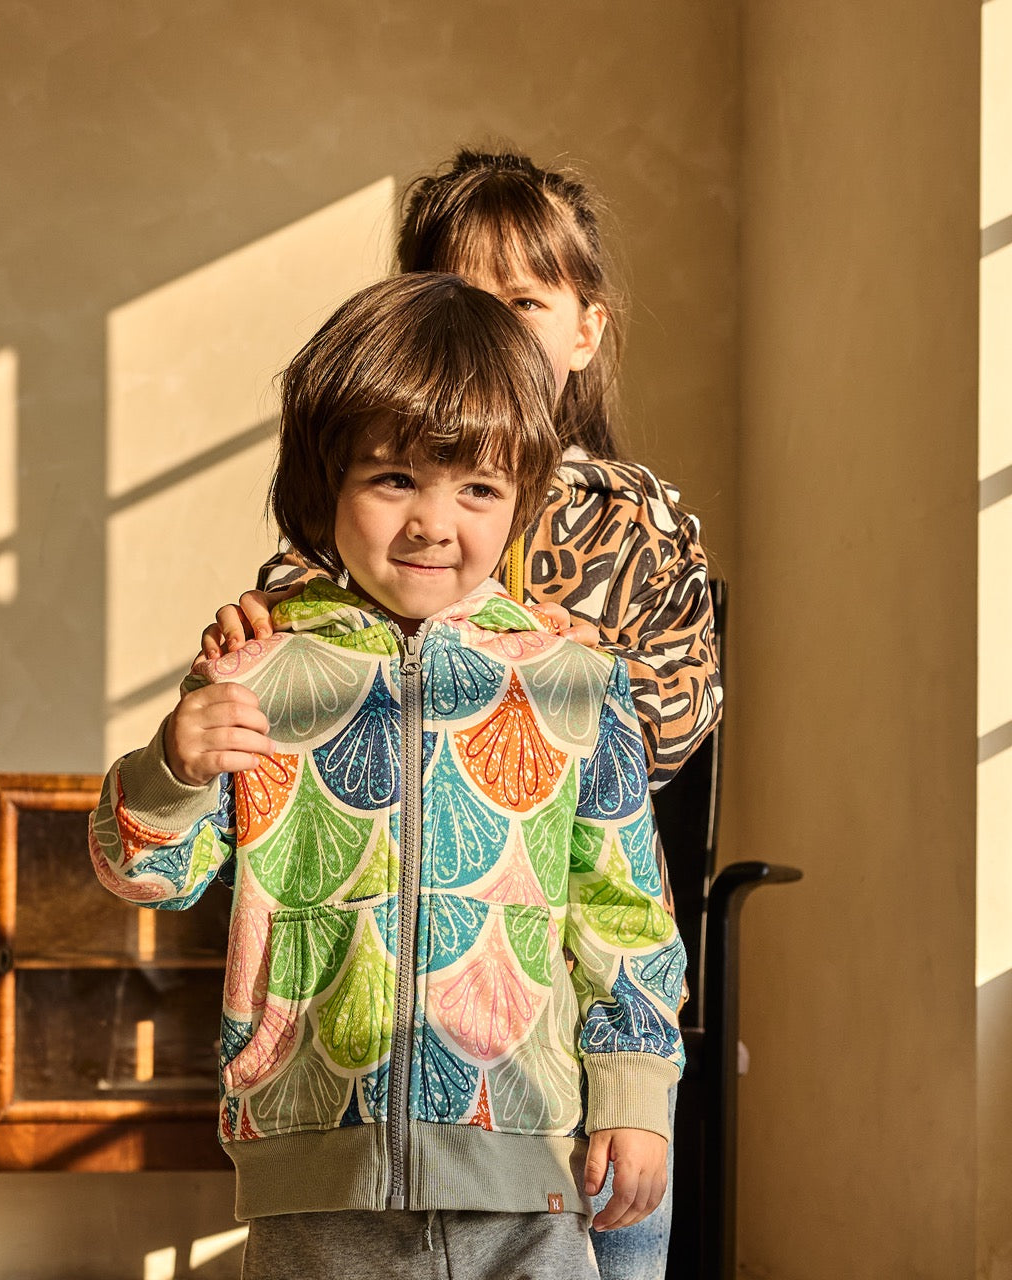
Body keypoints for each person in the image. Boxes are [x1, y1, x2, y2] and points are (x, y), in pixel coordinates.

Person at [90, 273, 686, 1280]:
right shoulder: (258, 667)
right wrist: (171, 765)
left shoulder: (572, 680)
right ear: (327, 481)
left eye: (478, 488)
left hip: (523, 1161)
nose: (432, 523)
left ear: (521, 500)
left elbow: (622, 910)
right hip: (315, 1176)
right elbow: (146, 873)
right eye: (394, 479)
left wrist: (632, 1096)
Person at [199, 147, 722, 1278]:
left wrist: (591, 668)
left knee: (620, 1214)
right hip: (358, 1022)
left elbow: (680, 719)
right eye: (459, 298)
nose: (488, 330)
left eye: (520, 305)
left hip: (550, 963)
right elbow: (281, 689)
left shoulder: (630, 520)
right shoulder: (330, 553)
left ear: (583, 328)